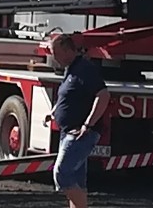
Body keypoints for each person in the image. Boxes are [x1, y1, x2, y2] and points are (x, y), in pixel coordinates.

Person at [44, 34, 110, 208]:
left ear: (67, 50)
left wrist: (87, 124)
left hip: (80, 133)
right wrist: (55, 111)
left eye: (55, 53)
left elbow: (103, 95)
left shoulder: (84, 69)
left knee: (62, 174)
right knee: (77, 180)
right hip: (68, 131)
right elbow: (69, 95)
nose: (53, 57)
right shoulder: (71, 69)